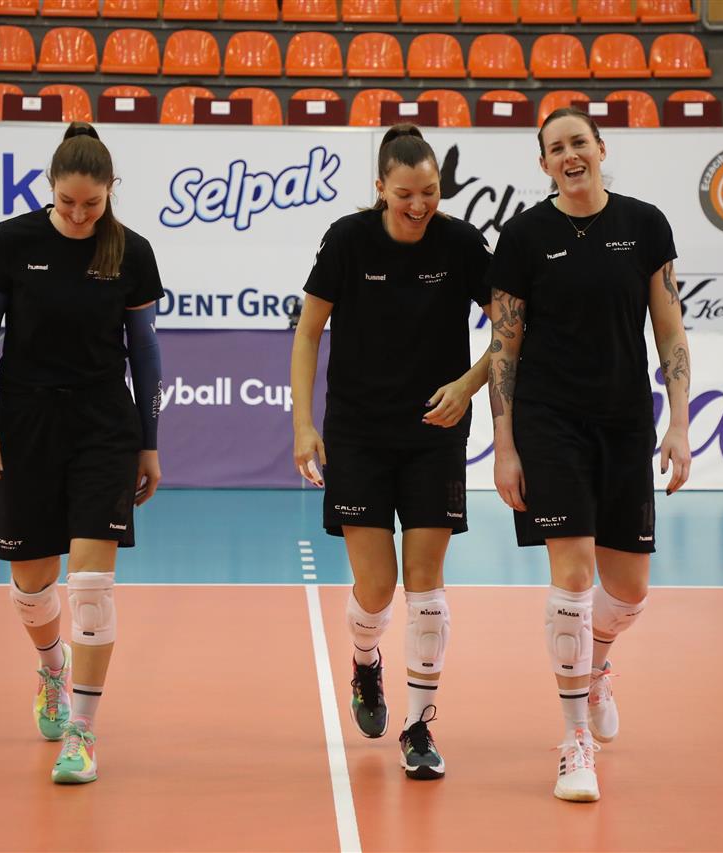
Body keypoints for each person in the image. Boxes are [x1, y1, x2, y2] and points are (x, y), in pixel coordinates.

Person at [487, 108, 692, 803]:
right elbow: (504, 348)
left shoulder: (645, 224)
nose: (570, 155)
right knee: (572, 576)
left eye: (579, 142)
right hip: (549, 422)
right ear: (543, 164)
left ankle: (596, 665)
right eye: (556, 148)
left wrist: (679, 424)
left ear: (601, 149)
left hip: (626, 421)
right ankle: (574, 742)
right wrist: (505, 445)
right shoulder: (522, 236)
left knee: (629, 591)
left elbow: (670, 329)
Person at [291, 124, 492, 781]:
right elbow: (308, 331)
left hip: (435, 432)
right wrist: (303, 424)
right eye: (405, 193)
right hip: (358, 433)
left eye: (429, 191)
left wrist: (468, 385)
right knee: (377, 587)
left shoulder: (462, 244)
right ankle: (365, 660)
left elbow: (513, 328)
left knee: (426, 585)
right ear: (380, 188)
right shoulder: (348, 241)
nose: (419, 204)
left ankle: (420, 726)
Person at [0, 122, 164, 785]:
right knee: (32, 582)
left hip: (104, 424)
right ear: (50, 188)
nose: (80, 215)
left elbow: (145, 350)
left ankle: (82, 729)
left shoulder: (131, 251)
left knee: (91, 586)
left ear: (111, 192)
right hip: (24, 421)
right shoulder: (14, 240)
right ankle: (52, 667)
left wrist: (148, 442)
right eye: (68, 202)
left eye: (93, 204)